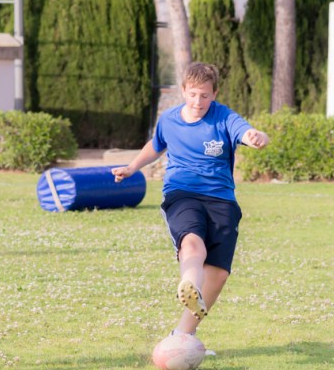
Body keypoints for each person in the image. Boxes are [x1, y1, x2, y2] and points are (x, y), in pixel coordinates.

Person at [112, 62, 269, 342]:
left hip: (221, 199)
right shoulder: (170, 120)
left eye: (205, 96)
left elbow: (245, 131)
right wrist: (132, 167)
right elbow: (156, 145)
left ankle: (181, 336)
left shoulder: (223, 117)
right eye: (193, 94)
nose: (199, 102)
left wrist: (257, 137)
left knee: (218, 274)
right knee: (192, 243)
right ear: (184, 90)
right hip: (181, 193)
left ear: (215, 93)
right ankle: (189, 282)